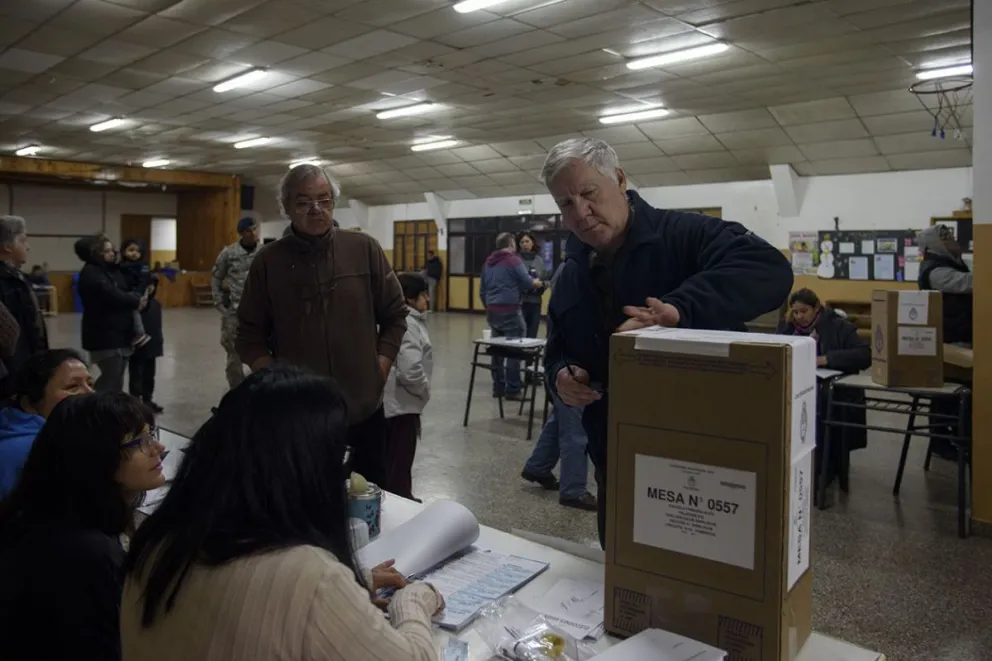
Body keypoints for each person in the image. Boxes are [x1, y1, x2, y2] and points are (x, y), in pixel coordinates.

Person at [542, 138, 794, 548]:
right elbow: (557, 352)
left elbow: (770, 271)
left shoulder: (683, 236)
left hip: (703, 463)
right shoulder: (571, 273)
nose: (581, 213)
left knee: (701, 575)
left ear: (619, 179)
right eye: (566, 204)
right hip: (617, 459)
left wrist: (680, 309)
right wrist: (561, 378)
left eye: (588, 193)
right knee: (626, 571)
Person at [121, 365, 444, 661]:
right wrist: (413, 602)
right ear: (304, 469)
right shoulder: (310, 577)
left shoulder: (156, 540)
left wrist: (355, 590)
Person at [236, 164, 408, 489]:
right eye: (303, 202)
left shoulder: (364, 249)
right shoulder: (268, 262)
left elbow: (396, 315)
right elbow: (248, 335)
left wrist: (380, 366)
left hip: (363, 407)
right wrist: (277, 379)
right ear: (286, 207)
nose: (316, 210)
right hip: (299, 415)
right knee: (306, 501)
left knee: (369, 498)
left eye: (324, 200)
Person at [0, 392, 166, 661]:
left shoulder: (48, 513)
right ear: (97, 457)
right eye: (139, 442)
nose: (157, 448)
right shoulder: (85, 551)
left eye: (151, 434)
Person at [777, 289, 871, 487]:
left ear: (816, 308)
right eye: (795, 312)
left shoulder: (839, 326)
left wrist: (825, 359)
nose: (799, 317)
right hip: (798, 385)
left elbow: (864, 355)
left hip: (831, 390)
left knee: (820, 406)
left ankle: (824, 468)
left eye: (804, 311)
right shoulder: (788, 328)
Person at [521, 263, 594, 511]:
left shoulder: (566, 270)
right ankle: (573, 491)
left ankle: (538, 467)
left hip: (561, 362)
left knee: (562, 418)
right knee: (576, 430)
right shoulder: (580, 275)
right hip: (572, 366)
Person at [0, 349, 94, 498]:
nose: (90, 393)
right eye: (72, 387)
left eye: (90, 384)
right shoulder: (25, 451)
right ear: (30, 402)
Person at [383, 273, 433, 501]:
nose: (428, 300)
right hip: (402, 404)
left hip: (402, 403)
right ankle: (401, 502)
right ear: (410, 299)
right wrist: (424, 391)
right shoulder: (409, 324)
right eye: (424, 295)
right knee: (399, 461)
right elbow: (410, 369)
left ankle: (401, 497)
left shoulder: (408, 321)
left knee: (396, 460)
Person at [75, 235, 145, 392]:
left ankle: (110, 411)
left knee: (117, 380)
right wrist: (135, 301)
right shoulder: (91, 273)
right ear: (95, 253)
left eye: (111, 249)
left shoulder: (111, 270)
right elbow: (111, 294)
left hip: (121, 333)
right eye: (106, 251)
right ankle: (93, 408)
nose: (112, 253)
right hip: (105, 335)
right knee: (110, 378)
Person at [479, 232, 542, 401]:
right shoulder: (513, 260)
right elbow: (527, 282)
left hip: (493, 311)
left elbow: (482, 291)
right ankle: (513, 388)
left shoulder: (487, 263)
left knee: (497, 349)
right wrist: (537, 283)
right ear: (511, 245)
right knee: (515, 349)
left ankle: (498, 387)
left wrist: (490, 307)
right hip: (510, 309)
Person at [211, 217, 260, 390]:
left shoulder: (264, 252)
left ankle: (261, 390)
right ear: (241, 233)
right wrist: (218, 301)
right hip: (235, 312)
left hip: (260, 312)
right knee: (234, 356)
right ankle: (237, 393)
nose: (253, 233)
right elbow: (216, 277)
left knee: (263, 354)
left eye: (255, 229)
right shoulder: (229, 253)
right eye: (248, 230)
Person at [0, 216, 48, 381]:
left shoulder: (18, 278)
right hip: (12, 371)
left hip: (29, 363)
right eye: (23, 241)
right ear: (7, 246)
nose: (28, 247)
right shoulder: (4, 282)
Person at [917, 224, 972, 345]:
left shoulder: (951, 263)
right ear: (934, 243)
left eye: (951, 236)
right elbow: (969, 283)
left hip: (962, 333)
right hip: (953, 339)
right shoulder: (935, 271)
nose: (953, 240)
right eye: (946, 238)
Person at [128, 277, 164, 413]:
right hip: (139, 346)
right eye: (147, 285)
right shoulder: (136, 305)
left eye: (153, 286)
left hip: (153, 345)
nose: (150, 288)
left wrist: (158, 343)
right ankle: (135, 402)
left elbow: (157, 326)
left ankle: (148, 400)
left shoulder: (156, 304)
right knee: (137, 374)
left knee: (150, 375)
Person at [120, 239, 152, 348]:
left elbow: (144, 281)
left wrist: (137, 295)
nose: (134, 253)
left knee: (134, 311)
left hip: (139, 293)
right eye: (131, 250)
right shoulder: (121, 266)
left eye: (138, 251)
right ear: (124, 251)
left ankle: (141, 333)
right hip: (128, 293)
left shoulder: (143, 265)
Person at [517, 232, 549, 339]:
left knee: (533, 331)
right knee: (521, 332)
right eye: (522, 242)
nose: (525, 244)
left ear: (532, 243)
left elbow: (546, 279)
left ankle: (529, 353)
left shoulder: (539, 260)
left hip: (535, 302)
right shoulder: (516, 260)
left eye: (527, 241)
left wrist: (542, 285)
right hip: (520, 302)